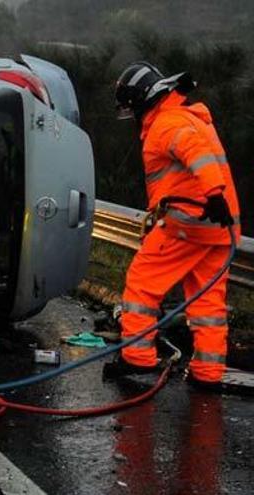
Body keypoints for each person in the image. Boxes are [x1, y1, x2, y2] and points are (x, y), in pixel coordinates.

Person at [105, 62, 241, 392]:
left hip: (189, 224)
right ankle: (207, 374)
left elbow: (197, 156)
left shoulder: (167, 124)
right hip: (220, 227)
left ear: (141, 100)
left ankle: (137, 358)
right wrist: (216, 200)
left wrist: (212, 193)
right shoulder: (188, 116)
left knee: (141, 285)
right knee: (207, 303)